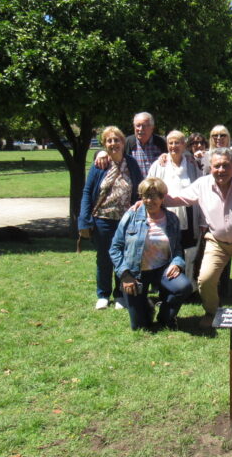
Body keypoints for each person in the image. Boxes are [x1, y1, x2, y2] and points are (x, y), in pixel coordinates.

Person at [162, 147, 232, 330]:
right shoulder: (202, 185)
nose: (221, 170)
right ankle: (211, 312)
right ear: (210, 167)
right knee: (205, 279)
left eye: (226, 165)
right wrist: (151, 199)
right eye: (217, 166)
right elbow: (177, 198)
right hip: (217, 242)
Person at [109, 177, 193, 330]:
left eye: (154, 196)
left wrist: (177, 262)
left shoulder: (172, 219)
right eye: (145, 196)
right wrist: (125, 275)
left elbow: (177, 248)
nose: (149, 200)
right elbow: (115, 248)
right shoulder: (131, 216)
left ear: (162, 198)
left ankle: (165, 316)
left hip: (161, 269)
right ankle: (146, 305)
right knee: (139, 327)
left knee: (184, 287)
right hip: (135, 273)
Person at [79, 126, 144, 310]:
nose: (113, 144)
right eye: (109, 141)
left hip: (126, 221)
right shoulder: (99, 164)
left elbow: (139, 190)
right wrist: (84, 221)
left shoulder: (131, 163)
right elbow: (87, 192)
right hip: (102, 220)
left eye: (117, 140)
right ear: (104, 144)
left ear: (123, 143)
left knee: (123, 257)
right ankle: (103, 294)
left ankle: (120, 293)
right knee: (104, 258)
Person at [147, 130, 202, 284]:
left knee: (189, 250)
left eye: (177, 142)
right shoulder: (159, 165)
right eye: (170, 142)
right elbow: (150, 187)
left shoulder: (191, 164)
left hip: (189, 214)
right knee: (167, 248)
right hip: (166, 214)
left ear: (184, 144)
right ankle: (167, 283)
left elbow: (201, 189)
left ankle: (189, 283)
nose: (173, 146)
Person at [94, 112, 168, 176]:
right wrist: (101, 153)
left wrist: (168, 156)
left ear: (152, 127)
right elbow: (112, 151)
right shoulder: (127, 143)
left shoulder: (162, 143)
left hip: (157, 189)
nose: (140, 129)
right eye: (137, 125)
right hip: (135, 190)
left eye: (144, 125)